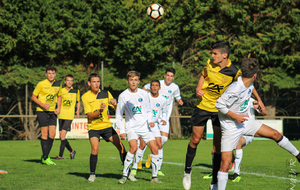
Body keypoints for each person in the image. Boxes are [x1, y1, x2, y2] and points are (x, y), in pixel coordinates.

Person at [182, 41, 265, 190]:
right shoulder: (209, 64)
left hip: (219, 110)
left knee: (217, 147)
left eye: (215, 53)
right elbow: (203, 75)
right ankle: (187, 172)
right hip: (203, 106)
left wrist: (258, 100)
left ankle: (214, 182)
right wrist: (198, 88)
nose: (212, 56)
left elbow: (248, 85)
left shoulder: (234, 72)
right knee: (195, 140)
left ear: (224, 55)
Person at [215, 58, 300, 190]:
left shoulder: (247, 82)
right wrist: (236, 116)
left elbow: (252, 88)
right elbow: (219, 104)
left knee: (275, 134)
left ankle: (298, 155)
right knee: (225, 164)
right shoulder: (235, 88)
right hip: (230, 126)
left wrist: (259, 101)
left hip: (246, 122)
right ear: (255, 75)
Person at [81, 73, 130, 183]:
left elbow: (118, 110)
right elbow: (90, 116)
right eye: (94, 82)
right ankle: (92, 175)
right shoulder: (85, 96)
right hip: (93, 127)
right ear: (89, 83)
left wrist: (115, 104)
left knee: (121, 147)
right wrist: (100, 110)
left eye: (98, 81)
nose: (96, 84)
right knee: (95, 148)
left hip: (107, 126)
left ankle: (128, 172)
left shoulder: (106, 93)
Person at [116, 71, 162, 184]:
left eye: (135, 80)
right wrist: (122, 130)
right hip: (131, 128)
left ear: (138, 81)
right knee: (133, 148)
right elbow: (118, 115)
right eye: (131, 80)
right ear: (127, 81)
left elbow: (149, 110)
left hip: (145, 127)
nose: (133, 82)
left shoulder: (144, 93)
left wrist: (150, 121)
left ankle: (154, 177)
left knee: (155, 149)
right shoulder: (123, 96)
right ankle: (124, 175)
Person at [142, 67, 183, 175]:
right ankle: (158, 169)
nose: (169, 77)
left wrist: (179, 100)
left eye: (171, 76)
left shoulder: (175, 87)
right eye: (168, 75)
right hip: (153, 117)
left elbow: (177, 96)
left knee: (163, 139)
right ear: (165, 76)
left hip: (164, 117)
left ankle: (152, 155)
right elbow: (144, 88)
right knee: (156, 142)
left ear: (173, 78)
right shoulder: (158, 84)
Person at [131, 79, 167, 177]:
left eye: (156, 85)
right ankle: (134, 167)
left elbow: (164, 112)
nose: (154, 87)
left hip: (154, 125)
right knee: (142, 144)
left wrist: (163, 119)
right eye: (152, 85)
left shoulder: (163, 99)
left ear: (159, 88)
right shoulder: (145, 96)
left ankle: (158, 169)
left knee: (159, 145)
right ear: (150, 87)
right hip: (145, 124)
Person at [31, 66, 61, 165]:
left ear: (55, 74)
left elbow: (59, 96)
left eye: (52, 73)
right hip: (42, 111)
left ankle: (45, 155)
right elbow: (33, 97)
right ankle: (45, 157)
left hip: (52, 112)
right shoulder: (41, 84)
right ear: (46, 74)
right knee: (45, 133)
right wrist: (43, 105)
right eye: (49, 73)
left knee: (52, 134)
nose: (51, 75)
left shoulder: (58, 84)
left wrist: (58, 107)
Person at [56, 74, 80, 160]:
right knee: (61, 137)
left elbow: (78, 101)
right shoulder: (61, 91)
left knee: (62, 135)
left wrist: (77, 111)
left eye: (71, 81)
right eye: (68, 80)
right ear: (65, 81)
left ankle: (60, 156)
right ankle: (72, 151)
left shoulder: (76, 91)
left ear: (73, 82)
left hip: (69, 116)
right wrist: (58, 109)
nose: (70, 82)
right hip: (61, 115)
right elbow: (58, 100)